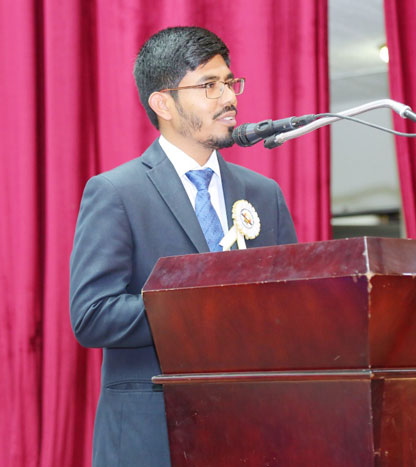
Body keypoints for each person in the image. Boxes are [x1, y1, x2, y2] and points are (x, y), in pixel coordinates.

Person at [69, 26, 298, 467]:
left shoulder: (263, 193)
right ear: (163, 104)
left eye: (230, 82)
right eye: (209, 86)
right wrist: (207, 307)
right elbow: (92, 316)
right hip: (151, 438)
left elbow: (290, 306)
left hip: (253, 432)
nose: (229, 97)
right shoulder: (116, 192)